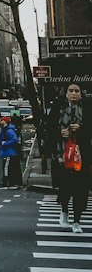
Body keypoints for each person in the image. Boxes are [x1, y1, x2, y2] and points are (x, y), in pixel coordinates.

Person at [54, 82, 91, 233]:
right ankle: (64, 213)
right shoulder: (58, 108)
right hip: (63, 154)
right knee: (65, 187)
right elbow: (48, 128)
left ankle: (76, 221)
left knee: (80, 189)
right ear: (66, 93)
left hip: (82, 155)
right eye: (71, 90)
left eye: (77, 90)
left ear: (81, 93)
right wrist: (60, 133)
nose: (74, 93)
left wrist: (81, 129)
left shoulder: (87, 108)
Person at [0, 115, 21, 188]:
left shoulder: (9, 130)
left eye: (2, 120)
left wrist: (5, 144)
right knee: (6, 167)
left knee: (6, 167)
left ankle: (6, 181)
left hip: (8, 152)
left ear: (5, 122)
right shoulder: (5, 129)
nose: (1, 122)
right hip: (6, 151)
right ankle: (7, 181)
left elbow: (14, 139)